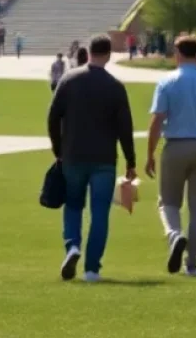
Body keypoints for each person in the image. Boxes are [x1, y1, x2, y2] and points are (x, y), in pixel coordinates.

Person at [48, 34, 137, 283]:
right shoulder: (115, 87)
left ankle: (72, 246)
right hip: (104, 159)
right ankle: (91, 269)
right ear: (109, 54)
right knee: (100, 213)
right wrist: (130, 161)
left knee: (73, 205)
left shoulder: (69, 80)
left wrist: (58, 149)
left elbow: (53, 117)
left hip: (73, 155)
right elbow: (124, 128)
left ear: (87, 52)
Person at [145, 35, 196, 277]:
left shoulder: (167, 82)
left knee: (168, 202)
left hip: (176, 145)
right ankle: (192, 263)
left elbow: (157, 120)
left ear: (177, 54)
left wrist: (150, 153)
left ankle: (174, 235)